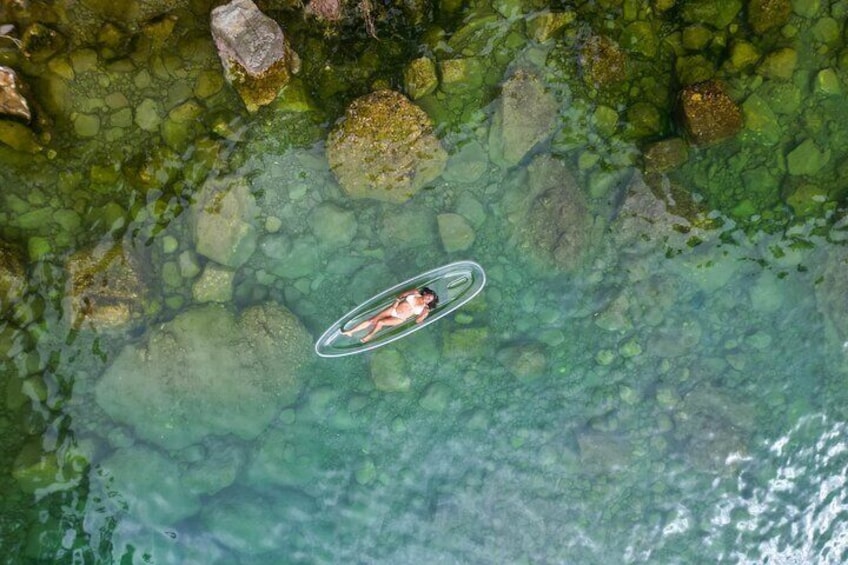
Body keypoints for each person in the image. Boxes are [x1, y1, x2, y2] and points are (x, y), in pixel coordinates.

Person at [342, 287, 439, 343]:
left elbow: (418, 320)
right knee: (372, 320)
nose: (428, 298)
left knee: (380, 323)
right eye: (429, 296)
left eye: (430, 299)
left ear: (429, 302)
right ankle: (350, 331)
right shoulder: (415, 292)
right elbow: (401, 295)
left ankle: (369, 336)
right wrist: (396, 302)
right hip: (393, 309)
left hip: (400, 318)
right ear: (426, 293)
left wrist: (425, 314)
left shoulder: (424, 309)